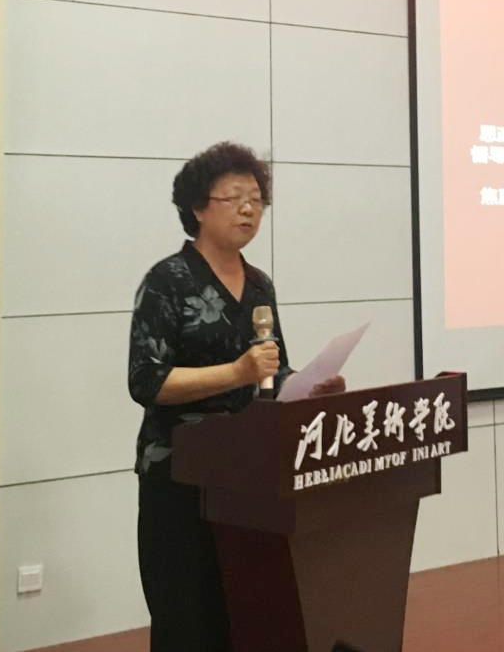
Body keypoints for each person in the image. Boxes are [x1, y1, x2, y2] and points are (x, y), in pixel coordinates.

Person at [128, 141, 344, 651]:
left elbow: (271, 371)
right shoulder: (167, 281)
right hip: (180, 476)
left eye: (256, 199)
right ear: (198, 208)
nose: (249, 209)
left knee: (243, 612)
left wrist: (311, 385)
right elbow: (147, 381)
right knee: (187, 616)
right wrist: (235, 372)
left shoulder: (260, 285)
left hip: (247, 477)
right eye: (234, 198)